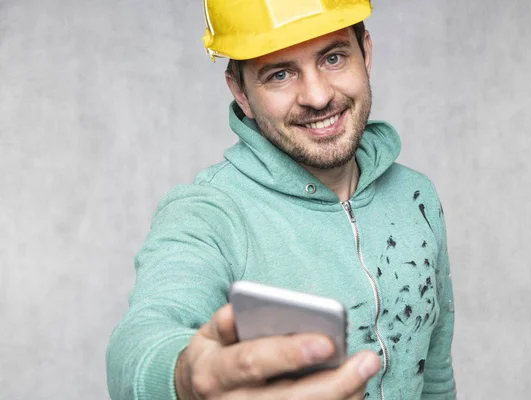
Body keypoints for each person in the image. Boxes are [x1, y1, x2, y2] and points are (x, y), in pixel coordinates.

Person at [106, 1, 456, 399]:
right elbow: (141, 338)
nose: (318, 96)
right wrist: (187, 377)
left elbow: (435, 375)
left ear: (366, 52)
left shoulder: (417, 197)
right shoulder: (207, 214)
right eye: (280, 74)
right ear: (240, 91)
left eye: (334, 57)